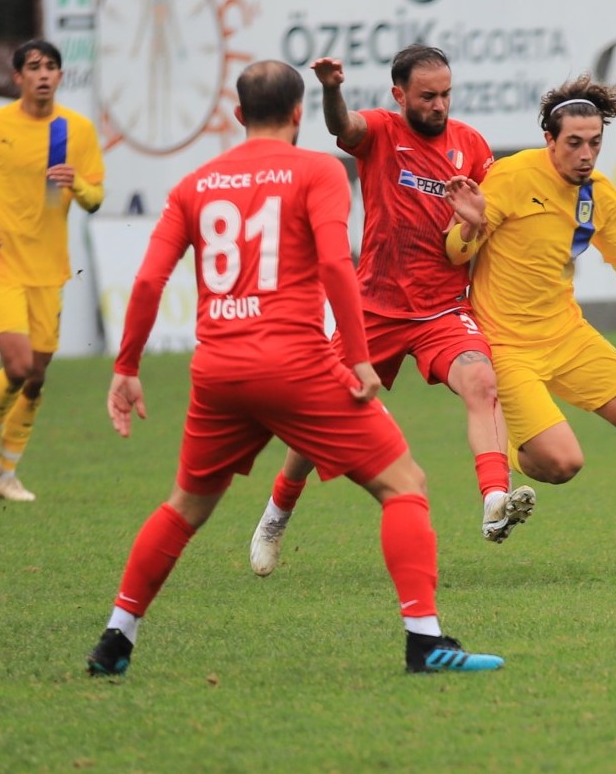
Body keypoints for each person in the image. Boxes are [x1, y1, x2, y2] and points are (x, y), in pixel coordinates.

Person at [87, 60, 502, 677]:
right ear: (299, 114)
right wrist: (358, 358)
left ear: (236, 115)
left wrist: (126, 366)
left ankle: (116, 639)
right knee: (404, 485)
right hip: (296, 365)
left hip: (219, 371)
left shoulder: (195, 183)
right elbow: (337, 266)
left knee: (183, 508)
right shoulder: (317, 170)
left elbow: (149, 279)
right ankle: (425, 642)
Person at [247, 46, 533, 577]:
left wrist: (476, 221)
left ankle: (495, 498)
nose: (440, 105)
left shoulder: (471, 145)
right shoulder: (379, 132)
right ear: (399, 95)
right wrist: (332, 90)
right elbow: (344, 124)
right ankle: (276, 515)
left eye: (447, 94)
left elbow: (475, 232)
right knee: (319, 422)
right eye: (428, 97)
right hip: (375, 309)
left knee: (482, 383)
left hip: (443, 309)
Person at [445, 75, 616, 570]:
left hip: (567, 333)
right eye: (574, 143)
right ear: (549, 140)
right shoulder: (511, 177)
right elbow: (454, 250)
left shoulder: (599, 196)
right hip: (506, 346)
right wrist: (467, 224)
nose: (586, 154)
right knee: (561, 464)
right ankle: (506, 445)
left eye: (595, 143)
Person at [0, 39, 105, 502]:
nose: (43, 74)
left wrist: (75, 182)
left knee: (36, 377)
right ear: (18, 77)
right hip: (1, 263)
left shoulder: (74, 131)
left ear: (59, 77)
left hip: (49, 270)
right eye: (34, 67)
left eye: (51, 67)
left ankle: (7, 475)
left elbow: (96, 199)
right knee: (16, 367)